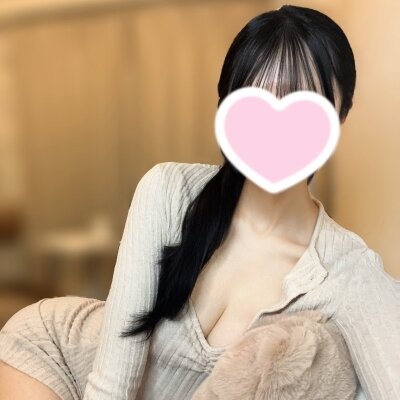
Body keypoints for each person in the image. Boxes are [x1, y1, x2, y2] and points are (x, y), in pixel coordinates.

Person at [1, 5, 399, 400]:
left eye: (303, 106)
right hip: (55, 355)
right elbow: (112, 386)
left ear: (339, 117)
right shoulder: (168, 190)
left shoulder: (347, 271)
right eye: (254, 103)